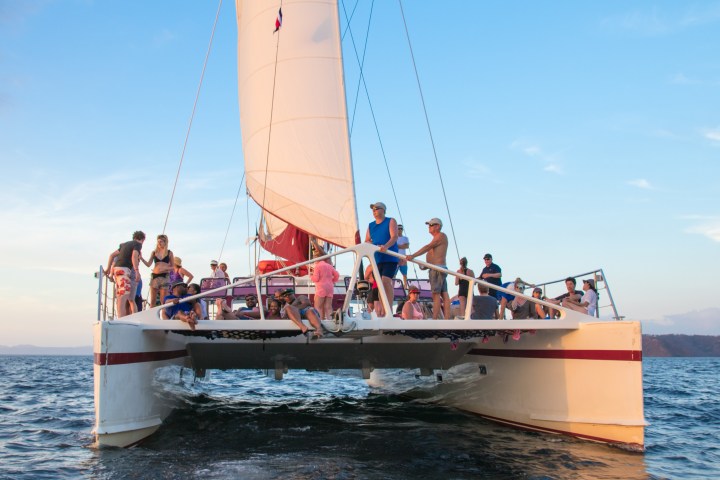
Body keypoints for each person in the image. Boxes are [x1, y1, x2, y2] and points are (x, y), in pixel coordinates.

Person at [406, 218, 450, 319]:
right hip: (438, 268)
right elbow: (430, 258)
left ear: (438, 226)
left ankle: (435, 319)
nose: (429, 227)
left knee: (437, 295)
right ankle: (446, 319)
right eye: (428, 225)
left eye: (431, 225)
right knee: (444, 294)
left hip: (437, 269)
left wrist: (413, 256)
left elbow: (427, 247)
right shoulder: (437, 239)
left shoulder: (441, 236)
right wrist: (423, 265)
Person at [365, 202, 399, 317]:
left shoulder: (391, 221)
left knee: (385, 281)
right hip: (377, 258)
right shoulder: (370, 225)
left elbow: (394, 236)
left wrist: (386, 246)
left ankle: (388, 310)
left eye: (376, 208)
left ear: (383, 210)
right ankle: (383, 312)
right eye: (373, 209)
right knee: (379, 284)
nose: (374, 211)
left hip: (390, 257)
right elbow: (367, 240)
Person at [105, 230, 146, 317]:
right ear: (142, 239)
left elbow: (112, 255)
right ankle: (122, 319)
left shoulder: (124, 244)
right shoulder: (138, 245)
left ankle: (121, 317)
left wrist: (108, 269)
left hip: (117, 269)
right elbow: (134, 256)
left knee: (121, 295)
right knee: (124, 295)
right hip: (124, 270)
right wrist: (137, 270)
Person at [141, 234, 175, 307]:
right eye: (158, 241)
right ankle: (152, 317)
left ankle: (163, 317)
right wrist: (141, 258)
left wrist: (165, 268)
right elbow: (148, 264)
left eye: (161, 241)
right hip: (155, 276)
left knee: (163, 300)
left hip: (164, 276)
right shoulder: (154, 252)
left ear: (165, 242)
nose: (159, 243)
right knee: (153, 300)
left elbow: (173, 266)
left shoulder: (169, 253)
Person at [311, 256, 340, 320]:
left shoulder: (317, 266)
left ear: (316, 260)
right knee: (328, 307)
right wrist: (333, 281)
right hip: (330, 287)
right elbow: (337, 275)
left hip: (321, 287)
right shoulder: (329, 266)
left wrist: (311, 276)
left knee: (318, 306)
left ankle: (320, 321)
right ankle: (330, 321)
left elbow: (316, 279)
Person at [396, 224, 410, 289]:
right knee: (394, 274)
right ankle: (392, 287)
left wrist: (398, 245)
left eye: (401, 228)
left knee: (404, 274)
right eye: (398, 228)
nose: (400, 230)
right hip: (395, 257)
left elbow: (407, 246)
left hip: (403, 258)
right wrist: (402, 246)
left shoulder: (405, 238)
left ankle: (405, 287)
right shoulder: (394, 238)